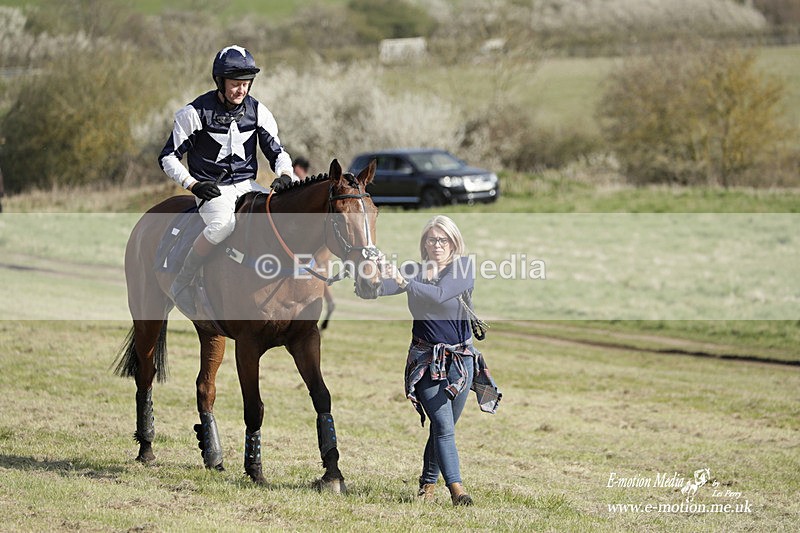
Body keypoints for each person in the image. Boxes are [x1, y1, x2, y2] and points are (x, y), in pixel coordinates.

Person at [159, 45, 295, 314]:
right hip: (213, 189)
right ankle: (182, 283)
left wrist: (285, 174)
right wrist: (193, 185)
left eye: (245, 84)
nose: (241, 90)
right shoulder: (194, 113)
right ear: (219, 81)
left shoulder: (259, 111)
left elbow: (277, 152)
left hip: (247, 186)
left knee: (278, 216)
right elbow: (168, 157)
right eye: (235, 84)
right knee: (223, 226)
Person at [379, 215, 500, 506]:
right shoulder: (414, 271)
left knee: (442, 429)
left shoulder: (462, 268)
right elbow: (376, 290)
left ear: (453, 242)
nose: (437, 244)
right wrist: (372, 271)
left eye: (442, 239)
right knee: (443, 426)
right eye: (431, 239)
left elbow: (441, 295)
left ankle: (427, 485)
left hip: (461, 362)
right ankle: (458, 490)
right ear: (424, 243)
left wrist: (404, 282)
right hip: (426, 361)